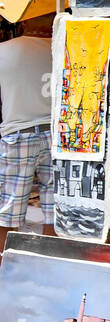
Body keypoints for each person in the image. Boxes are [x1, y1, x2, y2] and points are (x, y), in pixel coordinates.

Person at [0, 25, 56, 258]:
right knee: (54, 207)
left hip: (18, 133)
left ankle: (5, 264)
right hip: (54, 133)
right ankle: (52, 260)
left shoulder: (4, 50)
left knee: (7, 209)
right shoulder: (59, 47)